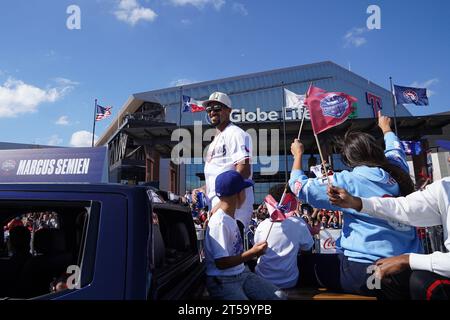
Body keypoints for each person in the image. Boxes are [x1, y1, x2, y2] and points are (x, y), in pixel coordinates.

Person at [288, 111, 422, 296]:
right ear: (376, 150)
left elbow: (298, 187)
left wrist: (297, 155)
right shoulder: (396, 170)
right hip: (408, 266)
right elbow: (395, 149)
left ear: (348, 158)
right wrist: (386, 128)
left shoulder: (348, 181)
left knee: (299, 266)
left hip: (370, 271)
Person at [327, 177, 450, 300]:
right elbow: (405, 207)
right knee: (394, 278)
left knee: (421, 282)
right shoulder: (444, 186)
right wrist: (357, 202)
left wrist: (407, 260)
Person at [204, 170, 284, 300]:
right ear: (238, 194)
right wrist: (253, 252)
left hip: (241, 273)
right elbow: (221, 263)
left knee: (280, 296)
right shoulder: (219, 222)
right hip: (222, 280)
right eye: (245, 190)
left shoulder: (229, 217)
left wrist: (252, 252)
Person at [192, 92, 253, 236]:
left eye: (217, 108)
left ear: (228, 110)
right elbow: (218, 176)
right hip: (219, 207)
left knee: (226, 257)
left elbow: (244, 170)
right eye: (209, 109)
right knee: (216, 256)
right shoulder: (215, 140)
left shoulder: (236, 133)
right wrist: (201, 189)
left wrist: (222, 204)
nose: (212, 112)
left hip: (233, 208)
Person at [254, 184, 314, 289]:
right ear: (290, 200)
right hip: (289, 281)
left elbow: (258, 250)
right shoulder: (298, 223)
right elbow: (307, 248)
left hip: (263, 279)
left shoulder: (262, 225)